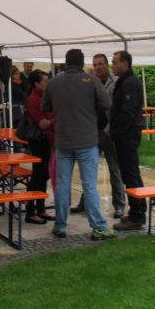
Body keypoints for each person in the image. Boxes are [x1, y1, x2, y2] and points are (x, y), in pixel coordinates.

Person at [42, 49, 115, 241]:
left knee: (62, 185)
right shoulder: (92, 81)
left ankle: (60, 225)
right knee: (89, 185)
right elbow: (107, 103)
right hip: (87, 140)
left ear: (66, 63)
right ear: (82, 63)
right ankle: (98, 227)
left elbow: (45, 107)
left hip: (63, 141)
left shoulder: (53, 82)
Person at [71, 53, 127, 218]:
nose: (97, 67)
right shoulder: (88, 82)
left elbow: (117, 109)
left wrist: (112, 129)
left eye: (100, 64)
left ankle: (119, 205)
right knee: (88, 169)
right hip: (92, 132)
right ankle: (85, 202)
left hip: (109, 131)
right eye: (95, 64)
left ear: (107, 65)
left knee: (114, 169)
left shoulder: (116, 82)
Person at [110, 50, 147, 231]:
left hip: (128, 135)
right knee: (131, 173)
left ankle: (137, 215)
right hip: (127, 134)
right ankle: (137, 210)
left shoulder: (130, 83)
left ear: (125, 63)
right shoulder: (124, 81)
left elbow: (128, 112)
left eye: (115, 62)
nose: (113, 65)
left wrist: (117, 133)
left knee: (130, 174)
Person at [23, 69, 55, 224]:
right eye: (45, 81)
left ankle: (41, 208)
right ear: (36, 84)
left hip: (47, 140)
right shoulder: (33, 99)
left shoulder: (44, 97)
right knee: (38, 175)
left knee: (43, 175)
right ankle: (30, 212)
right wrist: (57, 118)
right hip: (40, 141)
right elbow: (43, 123)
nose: (48, 84)